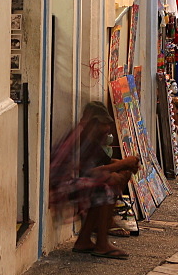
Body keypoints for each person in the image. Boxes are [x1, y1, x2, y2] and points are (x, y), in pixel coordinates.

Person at [50, 102, 139, 260]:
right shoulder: (80, 138)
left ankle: (84, 240)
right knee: (106, 185)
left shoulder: (91, 138)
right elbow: (89, 172)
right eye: (103, 125)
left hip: (75, 182)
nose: (107, 129)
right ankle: (102, 243)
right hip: (61, 187)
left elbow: (104, 161)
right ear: (93, 123)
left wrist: (126, 165)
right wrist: (123, 164)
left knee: (114, 177)